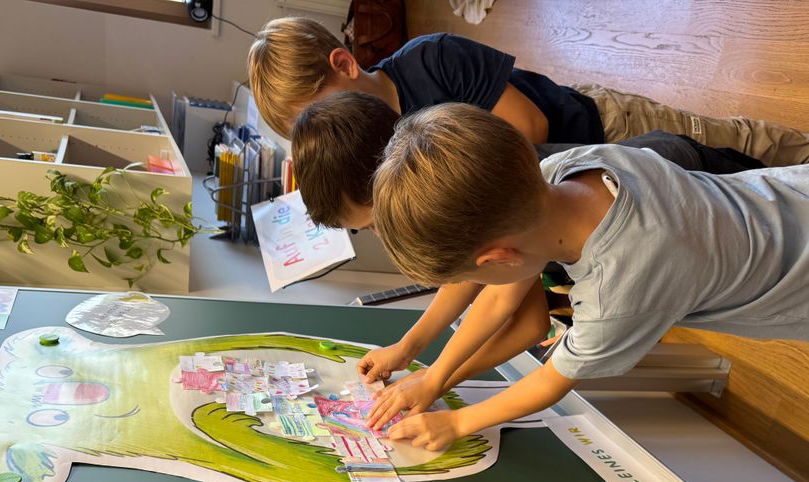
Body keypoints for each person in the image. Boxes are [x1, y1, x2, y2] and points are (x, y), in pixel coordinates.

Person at [366, 103, 809, 450]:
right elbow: (502, 299)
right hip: (787, 196)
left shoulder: (619, 292)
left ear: (498, 258)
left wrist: (458, 421)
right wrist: (435, 376)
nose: (485, 288)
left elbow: (550, 381)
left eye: (474, 278)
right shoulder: (569, 168)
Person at [290, 91, 766, 388]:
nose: (386, 232)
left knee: (768, 165)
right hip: (674, 208)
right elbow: (487, 287)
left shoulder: (503, 211)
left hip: (691, 180)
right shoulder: (480, 188)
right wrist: (414, 351)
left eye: (375, 223)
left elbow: (519, 315)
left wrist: (436, 376)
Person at [247, 17, 809, 165]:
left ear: (344, 64)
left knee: (732, 141)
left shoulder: (433, 58)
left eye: (319, 114)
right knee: (719, 174)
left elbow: (531, 129)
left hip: (596, 124)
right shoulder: (380, 141)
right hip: (592, 176)